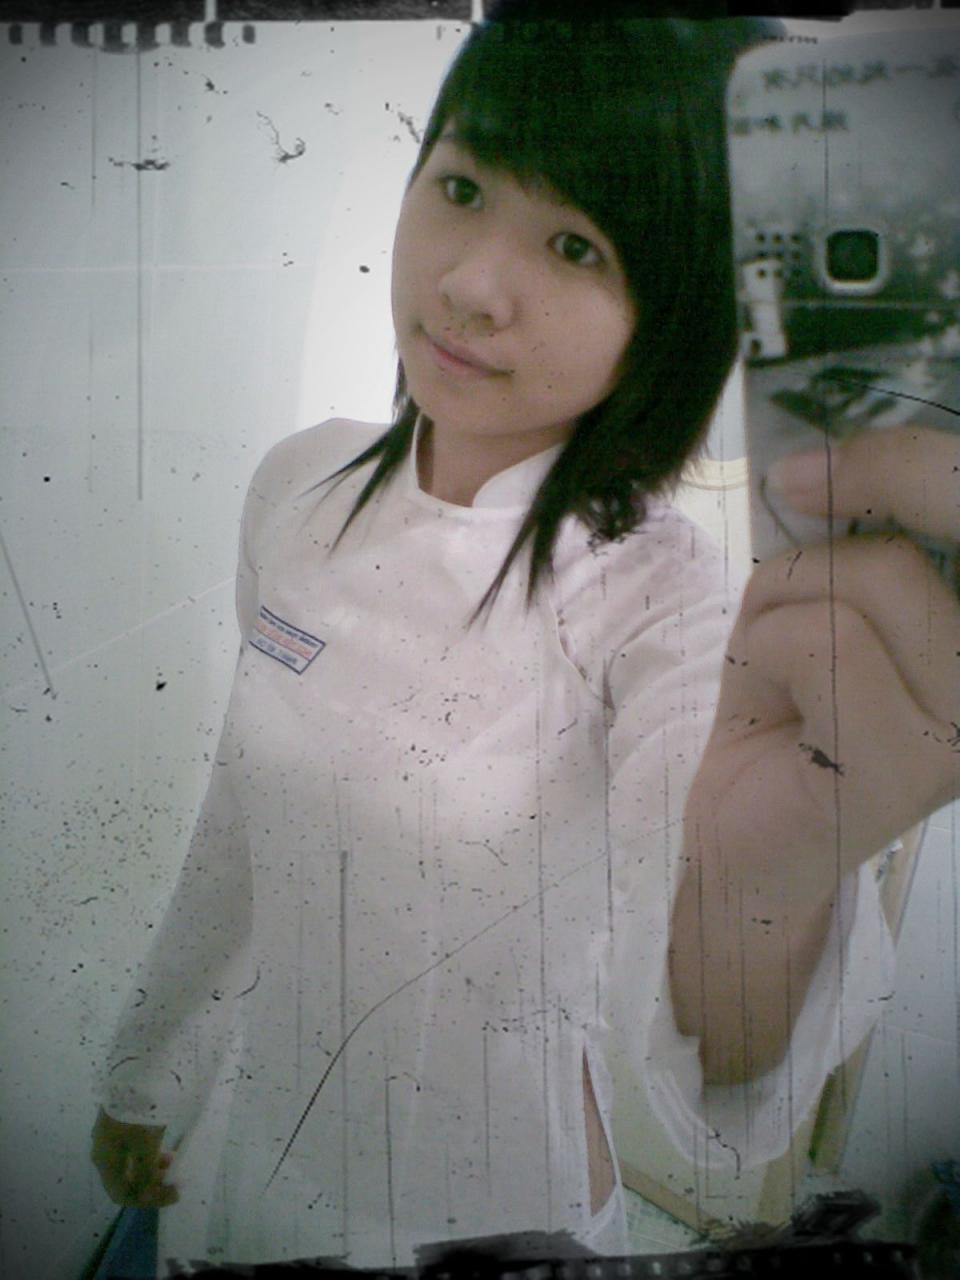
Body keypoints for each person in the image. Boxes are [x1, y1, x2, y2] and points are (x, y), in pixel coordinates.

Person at [91, 5, 960, 1270]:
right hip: (249, 1161)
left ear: (671, 315)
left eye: (574, 243)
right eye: (461, 185)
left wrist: (775, 873)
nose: (470, 284)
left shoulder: (663, 597)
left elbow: (721, 1087)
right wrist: (146, 1069)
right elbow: (238, 825)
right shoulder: (299, 485)